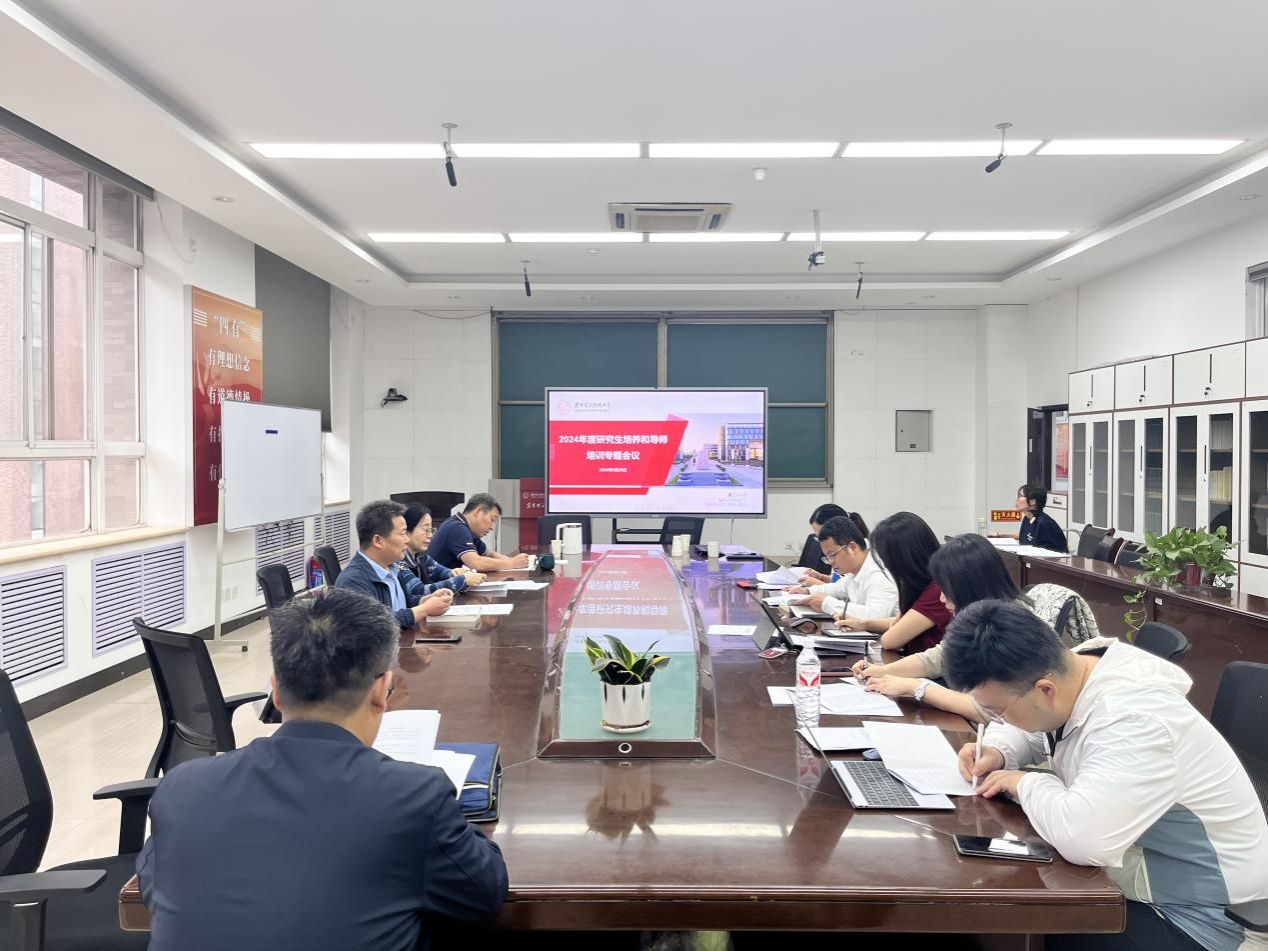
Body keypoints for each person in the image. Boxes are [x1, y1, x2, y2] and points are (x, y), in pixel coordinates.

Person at [136, 589, 509, 950]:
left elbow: (155, 886)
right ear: (382, 690)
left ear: (276, 691)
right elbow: (485, 891)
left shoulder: (182, 788)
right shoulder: (414, 795)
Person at [943, 600, 1268, 951]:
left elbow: (1083, 839)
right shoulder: (1074, 669)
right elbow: (1040, 726)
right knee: (1004, 908)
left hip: (1205, 920)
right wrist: (999, 750)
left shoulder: (1137, 721)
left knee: (1011, 920)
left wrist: (1025, 782)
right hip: (1133, 882)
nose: (1001, 720)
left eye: (1000, 711)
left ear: (1046, 690)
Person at [852, 533, 1029, 720]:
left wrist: (916, 687)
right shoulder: (977, 617)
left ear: (969, 587)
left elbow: (995, 712)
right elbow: (940, 657)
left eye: (946, 590)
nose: (942, 598)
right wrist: (880, 671)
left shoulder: (1010, 624)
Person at [835, 511, 950, 653]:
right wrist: (863, 624)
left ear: (902, 558)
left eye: (886, 558)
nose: (885, 565)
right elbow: (905, 621)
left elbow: (890, 640)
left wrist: (894, 624)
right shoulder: (920, 584)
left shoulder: (937, 591)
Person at [336, 500, 453, 629]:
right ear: (378, 541)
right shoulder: (353, 581)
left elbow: (400, 605)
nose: (407, 540)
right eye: (402, 534)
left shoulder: (392, 567)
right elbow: (373, 625)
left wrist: (423, 601)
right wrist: (423, 610)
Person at [784, 515, 896, 619]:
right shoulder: (856, 567)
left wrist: (826, 604)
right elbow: (838, 589)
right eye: (827, 557)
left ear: (852, 547)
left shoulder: (879, 571)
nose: (830, 562)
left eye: (832, 555)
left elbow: (876, 615)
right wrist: (807, 591)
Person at [398, 503, 485, 595]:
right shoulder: (398, 559)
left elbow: (439, 571)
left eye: (431, 530)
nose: (430, 535)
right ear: (406, 531)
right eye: (425, 530)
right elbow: (418, 591)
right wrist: (462, 580)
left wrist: (453, 573)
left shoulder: (420, 555)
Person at [428, 493, 530, 572]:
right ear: (478, 512)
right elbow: (476, 563)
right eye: (492, 519)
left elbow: (489, 554)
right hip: (436, 588)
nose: (492, 527)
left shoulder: (468, 529)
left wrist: (514, 561)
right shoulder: (457, 527)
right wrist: (512, 563)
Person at [1003, 484, 1068, 552]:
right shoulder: (1027, 518)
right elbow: (1024, 536)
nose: (1017, 500)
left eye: (1020, 496)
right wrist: (999, 535)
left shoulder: (1044, 523)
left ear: (1032, 502)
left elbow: (1060, 551)